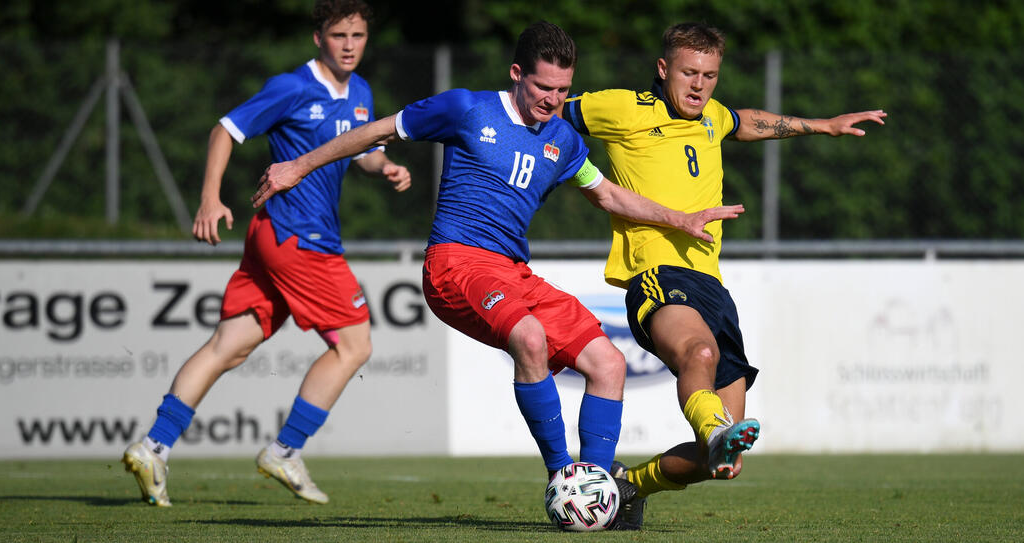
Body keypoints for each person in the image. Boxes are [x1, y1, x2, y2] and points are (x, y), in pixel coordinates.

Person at [252, 20, 744, 528]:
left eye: (563, 90)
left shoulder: (562, 139)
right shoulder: (466, 108)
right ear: (516, 74)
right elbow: (378, 131)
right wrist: (298, 166)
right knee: (529, 338)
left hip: (512, 271)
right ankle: (562, 478)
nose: (553, 100)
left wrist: (680, 218)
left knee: (608, 364)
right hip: (456, 262)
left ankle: (594, 495)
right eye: (542, 87)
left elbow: (609, 195)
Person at [561, 21, 887, 527]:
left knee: (723, 461)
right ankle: (711, 428)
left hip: (712, 288)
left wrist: (822, 125)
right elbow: (546, 109)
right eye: (689, 72)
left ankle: (627, 488)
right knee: (701, 353)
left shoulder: (711, 116)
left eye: (710, 75)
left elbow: (748, 121)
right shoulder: (624, 107)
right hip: (657, 273)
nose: (699, 85)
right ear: (663, 68)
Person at [122, 0, 411, 507]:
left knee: (227, 346)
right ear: (317, 38)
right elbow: (225, 130)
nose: (349, 45)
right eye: (339, 35)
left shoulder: (361, 91)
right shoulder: (293, 87)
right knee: (355, 347)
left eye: (358, 35)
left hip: (273, 238)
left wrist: (382, 165)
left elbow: (361, 149)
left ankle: (152, 447)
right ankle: (285, 449)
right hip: (300, 239)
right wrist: (210, 197)